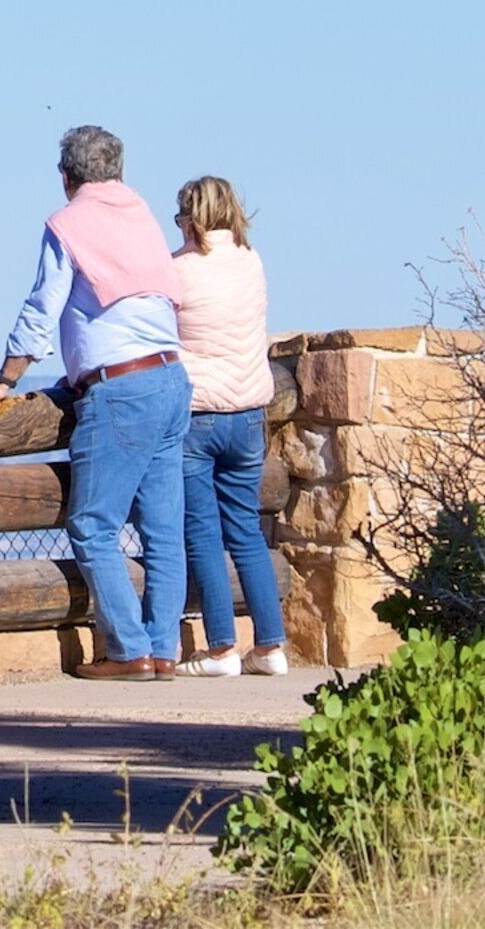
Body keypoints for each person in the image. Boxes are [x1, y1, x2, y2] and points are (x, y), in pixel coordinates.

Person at [0, 125, 188, 683]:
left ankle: (129, 650)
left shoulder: (68, 224)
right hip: (170, 375)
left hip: (120, 388)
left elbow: (43, 307)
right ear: (117, 169)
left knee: (92, 524)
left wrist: (6, 376)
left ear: (67, 176)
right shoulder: (141, 213)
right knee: (163, 530)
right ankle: (163, 649)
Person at [167, 175, 288, 676]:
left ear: (191, 217)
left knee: (202, 532)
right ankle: (271, 646)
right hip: (249, 412)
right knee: (246, 531)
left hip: (200, 413)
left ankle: (220, 648)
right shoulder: (252, 261)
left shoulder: (178, 270)